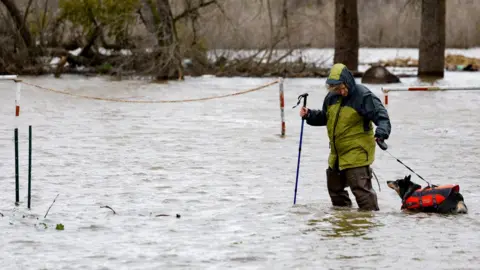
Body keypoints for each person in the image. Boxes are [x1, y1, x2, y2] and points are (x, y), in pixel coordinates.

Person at [299, 63, 391, 211]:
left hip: (358, 153)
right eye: (336, 89)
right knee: (335, 190)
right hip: (337, 154)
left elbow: (382, 117)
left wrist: (381, 134)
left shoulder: (363, 95)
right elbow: (325, 117)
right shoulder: (331, 97)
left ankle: (368, 225)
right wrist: (309, 115)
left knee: (362, 194)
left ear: (348, 82)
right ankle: (343, 223)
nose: (341, 92)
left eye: (342, 88)